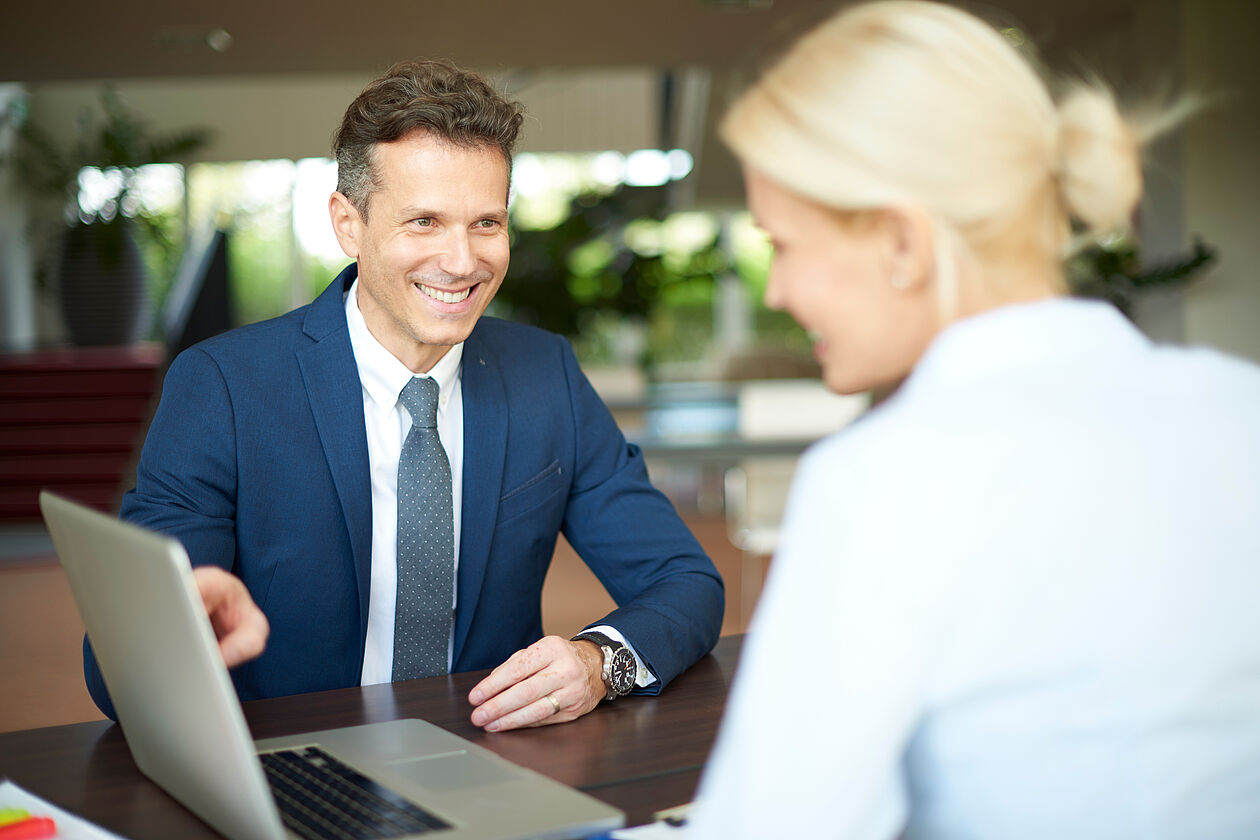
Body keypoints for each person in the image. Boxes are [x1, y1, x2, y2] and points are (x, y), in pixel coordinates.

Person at [686, 2, 1260, 837]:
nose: (776, 293)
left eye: (783, 244)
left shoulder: (887, 480)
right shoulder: (1236, 405)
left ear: (902, 243)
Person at [83, 59, 723, 733]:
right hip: (291, 767)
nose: (461, 260)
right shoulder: (223, 386)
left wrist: (600, 663)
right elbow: (114, 671)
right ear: (347, 224)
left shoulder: (546, 375)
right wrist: (168, 628)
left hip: (488, 765)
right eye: (423, 221)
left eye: (486, 223)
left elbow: (685, 583)